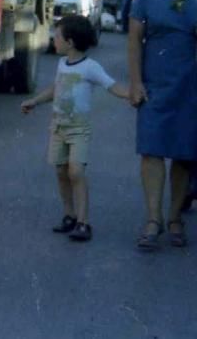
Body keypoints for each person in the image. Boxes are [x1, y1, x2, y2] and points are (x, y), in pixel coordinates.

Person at [20, 15, 130, 242]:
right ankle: (69, 215)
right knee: (61, 171)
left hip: (78, 129)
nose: (54, 40)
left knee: (76, 172)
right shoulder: (62, 64)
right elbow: (55, 88)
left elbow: (111, 85)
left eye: (57, 36)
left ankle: (83, 222)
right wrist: (36, 100)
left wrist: (132, 94)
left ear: (70, 42)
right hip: (58, 127)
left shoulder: (91, 67)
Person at [128, 0, 197, 251]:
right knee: (152, 151)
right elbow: (133, 41)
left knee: (185, 155)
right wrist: (135, 82)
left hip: (192, 87)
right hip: (155, 85)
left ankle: (174, 218)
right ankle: (153, 219)